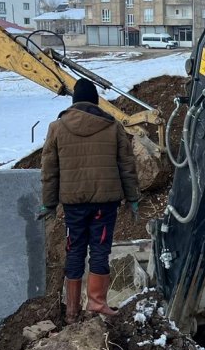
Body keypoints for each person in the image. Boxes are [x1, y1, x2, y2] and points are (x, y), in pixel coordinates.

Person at [41, 78, 140, 324]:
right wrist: (133, 198)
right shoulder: (112, 126)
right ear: (96, 101)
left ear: (74, 101)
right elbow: (127, 166)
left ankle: (72, 311)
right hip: (104, 204)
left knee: (74, 249)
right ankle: (96, 304)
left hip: (74, 204)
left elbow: (49, 170)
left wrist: (49, 204)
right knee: (100, 249)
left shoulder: (57, 127)